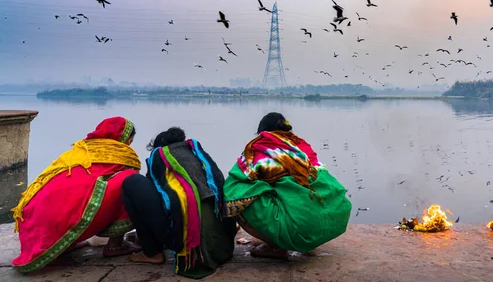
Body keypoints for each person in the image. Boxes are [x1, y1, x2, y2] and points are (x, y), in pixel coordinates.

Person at [12, 116, 142, 273]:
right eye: (130, 140)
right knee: (131, 181)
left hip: (34, 220)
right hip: (60, 219)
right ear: (125, 137)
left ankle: (65, 243)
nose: (129, 144)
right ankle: (115, 245)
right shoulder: (123, 153)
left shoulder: (81, 148)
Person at [224, 112, 352, 259]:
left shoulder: (259, 149)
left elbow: (235, 182)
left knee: (237, 198)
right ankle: (299, 237)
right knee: (292, 194)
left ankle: (276, 247)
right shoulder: (301, 146)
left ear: (262, 132)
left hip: (301, 226)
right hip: (330, 221)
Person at [122, 127, 236, 279]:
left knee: (132, 182)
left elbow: (153, 202)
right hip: (223, 248)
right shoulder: (198, 155)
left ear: (157, 147)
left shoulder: (160, 157)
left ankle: (152, 253)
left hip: (191, 249)